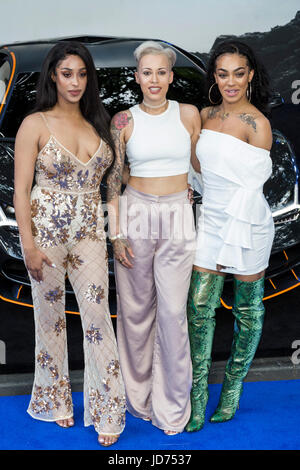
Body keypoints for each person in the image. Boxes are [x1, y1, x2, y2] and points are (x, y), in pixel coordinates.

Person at [13, 41, 126, 447]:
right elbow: (20, 192)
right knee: (50, 319)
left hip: (90, 233)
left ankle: (109, 408)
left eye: (81, 74)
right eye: (66, 74)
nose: (75, 82)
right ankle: (57, 399)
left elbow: (116, 182)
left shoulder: (101, 123)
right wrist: (28, 244)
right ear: (53, 77)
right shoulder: (35, 123)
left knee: (97, 317)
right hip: (45, 233)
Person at [106, 41, 201, 435]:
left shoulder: (189, 114)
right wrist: (116, 234)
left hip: (179, 213)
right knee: (135, 312)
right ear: (137, 77)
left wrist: (195, 193)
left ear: (171, 76)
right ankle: (139, 399)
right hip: (135, 214)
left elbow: (200, 165)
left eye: (162, 72)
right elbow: (112, 178)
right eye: (147, 72)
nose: (154, 79)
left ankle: (173, 406)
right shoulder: (122, 121)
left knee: (174, 314)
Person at [186, 40, 274, 432]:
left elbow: (251, 190)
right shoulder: (202, 115)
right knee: (198, 308)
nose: (231, 81)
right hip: (211, 219)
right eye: (223, 73)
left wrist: (229, 244)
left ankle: (233, 389)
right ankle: (197, 394)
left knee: (248, 311)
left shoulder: (259, 125)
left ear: (250, 74)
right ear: (214, 77)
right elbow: (196, 168)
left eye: (239, 73)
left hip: (248, 224)